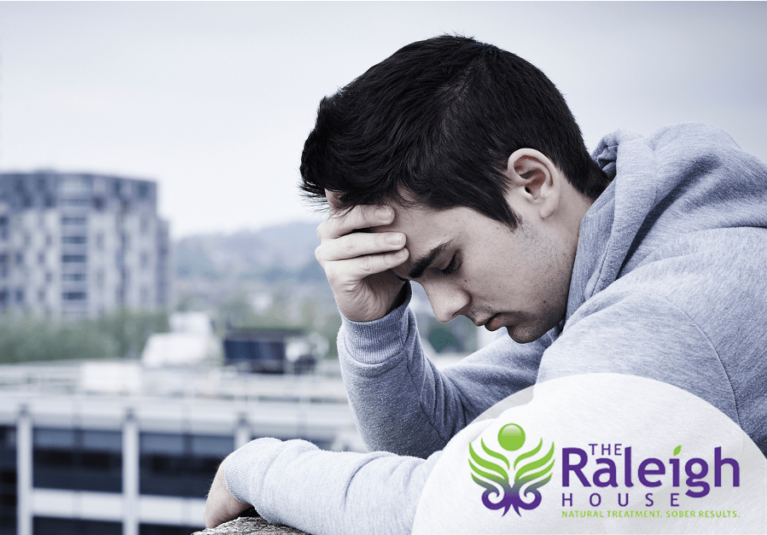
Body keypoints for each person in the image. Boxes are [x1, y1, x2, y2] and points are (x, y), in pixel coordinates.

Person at [203, 35, 767, 534]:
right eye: (417, 279)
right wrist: (374, 324)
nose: (444, 308)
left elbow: (471, 510)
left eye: (446, 262)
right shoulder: (599, 274)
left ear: (531, 181)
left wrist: (261, 468)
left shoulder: (672, 311)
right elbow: (446, 444)